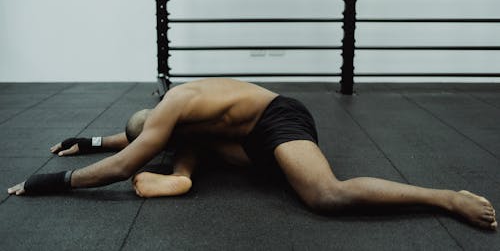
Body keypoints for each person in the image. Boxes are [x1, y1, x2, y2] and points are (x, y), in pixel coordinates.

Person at [7, 78, 497, 230]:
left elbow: (123, 164)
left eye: (150, 140)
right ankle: (181, 173)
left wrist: (43, 182)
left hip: (277, 120)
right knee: (186, 143)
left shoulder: (173, 106)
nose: (136, 140)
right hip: (237, 142)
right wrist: (86, 141)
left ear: (156, 123)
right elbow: (125, 144)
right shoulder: (168, 115)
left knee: (326, 196)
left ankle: (444, 197)